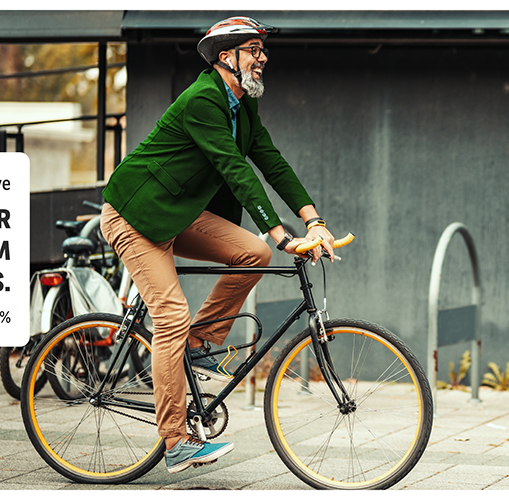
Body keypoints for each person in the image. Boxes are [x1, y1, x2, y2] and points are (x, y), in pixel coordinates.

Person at [99, 16, 335, 474]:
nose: (262, 57)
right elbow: (235, 170)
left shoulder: (243, 105)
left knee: (254, 254)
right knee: (170, 315)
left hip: (177, 213)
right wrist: (283, 233)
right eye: (253, 49)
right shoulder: (203, 99)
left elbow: (271, 162)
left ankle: (199, 343)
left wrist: (314, 219)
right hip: (135, 215)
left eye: (263, 50)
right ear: (227, 57)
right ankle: (176, 442)